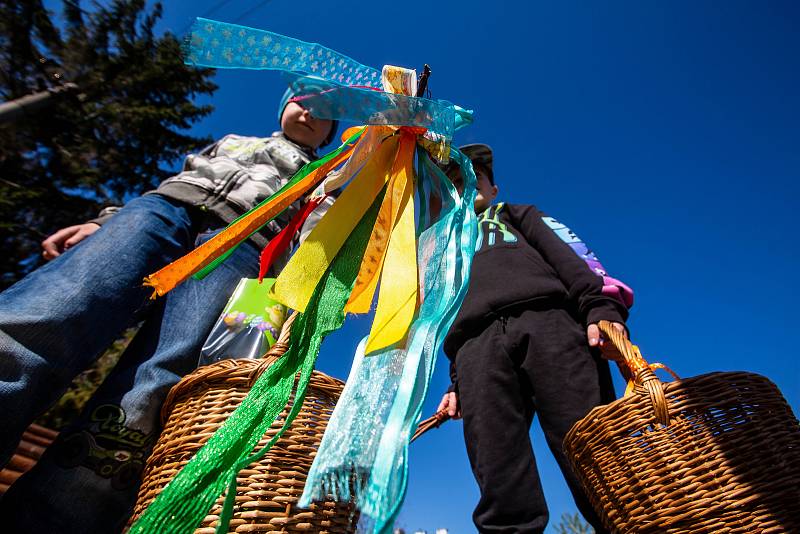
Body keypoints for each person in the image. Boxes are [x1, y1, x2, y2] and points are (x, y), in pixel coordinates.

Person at [0, 86, 338, 533]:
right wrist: (105, 222)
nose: (313, 111)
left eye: (328, 112)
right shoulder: (235, 140)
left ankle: (54, 519)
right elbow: (178, 176)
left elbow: (314, 245)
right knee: (52, 310)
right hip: (164, 211)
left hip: (242, 244)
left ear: (332, 133)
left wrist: (294, 296)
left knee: (160, 377)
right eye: (304, 100)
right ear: (284, 106)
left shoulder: (323, 176)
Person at [437, 144, 631, 534]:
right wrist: (457, 380)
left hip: (552, 326)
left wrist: (601, 310)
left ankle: (628, 523)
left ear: (494, 189)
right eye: (455, 181)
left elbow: (573, 259)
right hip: (476, 352)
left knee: (597, 455)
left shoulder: (517, 215)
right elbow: (444, 317)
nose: (467, 182)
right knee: (497, 468)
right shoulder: (443, 252)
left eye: (477, 176)